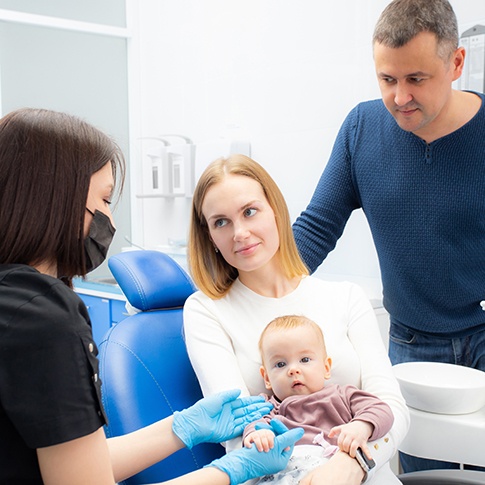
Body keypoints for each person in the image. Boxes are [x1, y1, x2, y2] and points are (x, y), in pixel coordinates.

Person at [0, 108, 303, 485]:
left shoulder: (16, 303)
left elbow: (77, 462)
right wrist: (228, 472)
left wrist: (181, 428)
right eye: (105, 200)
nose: (109, 221)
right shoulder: (42, 317)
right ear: (55, 201)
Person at [291, 0, 485, 474]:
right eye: (387, 80)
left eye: (416, 79)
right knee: (422, 474)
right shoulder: (362, 128)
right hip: (411, 345)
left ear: (455, 63)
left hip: (482, 333)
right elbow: (316, 228)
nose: (400, 97)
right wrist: (252, 289)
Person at [183, 154, 409, 485]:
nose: (240, 233)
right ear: (209, 237)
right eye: (221, 222)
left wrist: (353, 466)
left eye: (249, 211)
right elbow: (236, 432)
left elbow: (393, 409)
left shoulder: (346, 297)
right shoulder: (206, 311)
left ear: (274, 209)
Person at [243, 315, 394, 485]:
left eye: (305, 360)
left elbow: (382, 410)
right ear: (267, 378)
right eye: (280, 364)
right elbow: (252, 425)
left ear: (326, 367)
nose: (293, 370)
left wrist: (361, 426)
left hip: (339, 471)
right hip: (292, 473)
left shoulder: (342, 395)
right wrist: (259, 435)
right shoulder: (268, 406)